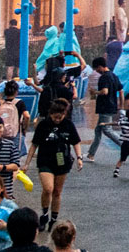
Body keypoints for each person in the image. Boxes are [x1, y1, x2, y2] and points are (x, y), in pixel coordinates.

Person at [29, 97, 81, 230]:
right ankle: (45, 214)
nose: (57, 120)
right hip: (45, 160)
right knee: (48, 188)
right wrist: (27, 163)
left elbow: (75, 142)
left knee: (57, 191)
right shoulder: (43, 125)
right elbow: (34, 144)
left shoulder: (69, 125)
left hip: (62, 161)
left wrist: (79, 158)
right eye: (55, 117)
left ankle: (53, 218)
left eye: (60, 117)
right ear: (50, 114)